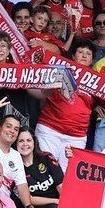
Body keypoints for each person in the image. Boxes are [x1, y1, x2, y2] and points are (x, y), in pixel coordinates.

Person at [34, 38, 95, 169]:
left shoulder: (97, 81)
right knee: (45, 169)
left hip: (76, 136)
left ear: (92, 60)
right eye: (80, 52)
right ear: (73, 55)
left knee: (68, 174)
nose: (84, 55)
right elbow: (39, 90)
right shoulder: (58, 69)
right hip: (50, 130)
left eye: (88, 53)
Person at [12, 127, 63, 208]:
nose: (25, 144)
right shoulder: (14, 166)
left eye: (28, 140)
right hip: (29, 207)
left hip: (52, 207)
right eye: (21, 141)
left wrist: (63, 203)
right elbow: (28, 199)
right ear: (15, 144)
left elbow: (60, 186)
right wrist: (56, 201)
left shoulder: (46, 158)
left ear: (34, 142)